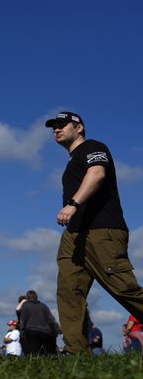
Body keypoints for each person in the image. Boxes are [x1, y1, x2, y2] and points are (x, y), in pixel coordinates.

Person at [45, 111, 143, 354]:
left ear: (79, 127)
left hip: (102, 230)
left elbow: (97, 174)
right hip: (74, 234)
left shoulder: (93, 147)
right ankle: (75, 352)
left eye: (62, 124)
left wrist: (73, 203)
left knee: (122, 287)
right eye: (54, 127)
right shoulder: (72, 161)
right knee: (69, 291)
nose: (56, 129)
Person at [17, 290, 59, 355]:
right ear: (36, 297)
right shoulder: (43, 306)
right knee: (46, 354)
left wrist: (22, 334)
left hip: (32, 332)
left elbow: (22, 319)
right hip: (45, 332)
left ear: (27, 298)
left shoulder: (26, 306)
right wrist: (57, 331)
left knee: (33, 354)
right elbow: (51, 320)